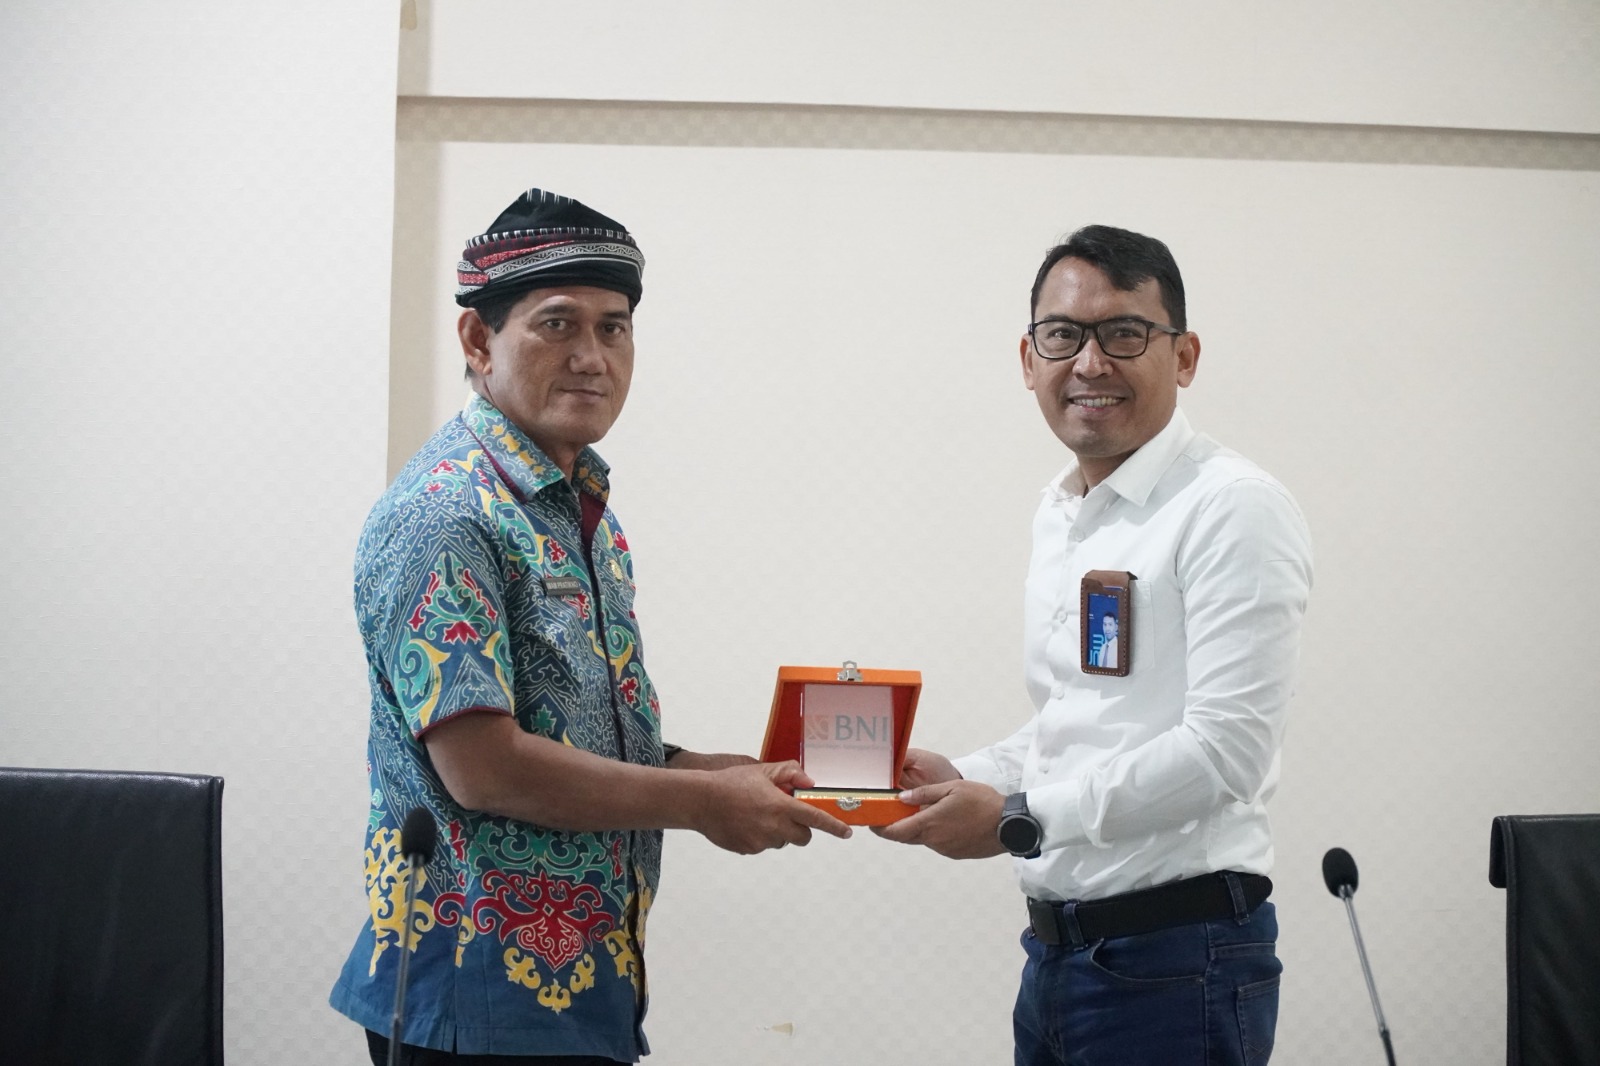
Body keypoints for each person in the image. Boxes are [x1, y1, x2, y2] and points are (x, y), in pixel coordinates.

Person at [329, 188, 850, 1065]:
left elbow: (585, 734)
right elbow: (484, 768)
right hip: (467, 996)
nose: (591, 357)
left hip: (584, 987)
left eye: (614, 328)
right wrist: (704, 804)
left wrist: (728, 773)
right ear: (478, 339)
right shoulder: (447, 513)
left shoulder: (579, 507)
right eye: (557, 324)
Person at [878, 224, 1313, 1064]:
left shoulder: (1231, 506)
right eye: (1062, 335)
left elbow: (1226, 752)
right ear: (1028, 358)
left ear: (1184, 356)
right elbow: (1083, 719)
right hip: (1058, 956)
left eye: (1124, 334)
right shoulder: (1065, 511)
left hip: (1178, 961)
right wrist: (966, 775)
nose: (1089, 362)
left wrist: (1017, 820)